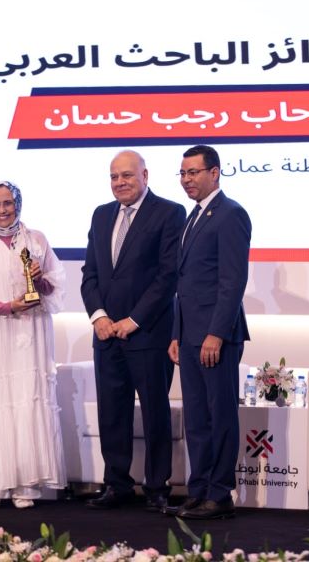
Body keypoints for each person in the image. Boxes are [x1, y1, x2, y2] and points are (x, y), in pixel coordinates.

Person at [80, 150, 186, 512]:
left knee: (155, 412)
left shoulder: (169, 212)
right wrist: (99, 317)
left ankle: (157, 488)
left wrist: (134, 319)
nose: (120, 182)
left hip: (148, 334)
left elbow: (168, 276)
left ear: (145, 175)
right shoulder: (101, 214)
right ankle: (117, 484)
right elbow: (90, 274)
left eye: (127, 175)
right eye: (114, 177)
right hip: (106, 334)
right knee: (112, 412)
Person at [0, 181, 67, 509]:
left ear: (18, 205)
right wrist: (8, 307)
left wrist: (41, 280)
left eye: (8, 203)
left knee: (25, 398)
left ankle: (25, 485)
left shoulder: (37, 241)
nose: (2, 210)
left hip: (29, 334)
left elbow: (55, 287)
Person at [166, 144, 251, 520]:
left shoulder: (231, 214)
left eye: (193, 172)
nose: (186, 180)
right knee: (197, 418)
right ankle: (198, 490)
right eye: (183, 173)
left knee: (220, 416)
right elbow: (184, 283)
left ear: (214, 173)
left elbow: (232, 281)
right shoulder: (193, 215)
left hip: (217, 336)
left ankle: (220, 493)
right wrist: (177, 333)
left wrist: (216, 333)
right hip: (189, 335)